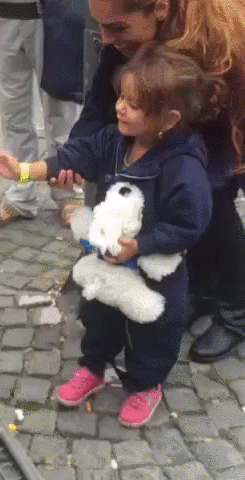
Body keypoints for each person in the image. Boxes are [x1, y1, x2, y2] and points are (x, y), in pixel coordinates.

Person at [0, 42, 217, 427]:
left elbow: (189, 224)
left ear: (168, 118)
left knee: (154, 329)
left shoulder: (183, 169)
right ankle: (94, 367)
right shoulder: (115, 140)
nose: (120, 107)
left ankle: (146, 385)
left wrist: (142, 245)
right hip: (110, 259)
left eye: (134, 103)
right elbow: (73, 156)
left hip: (154, 269)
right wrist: (25, 171)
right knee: (98, 315)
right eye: (122, 97)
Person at [51, 0, 245, 363]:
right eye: (101, 26)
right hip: (172, 134)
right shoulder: (124, 40)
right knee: (175, 207)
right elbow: (98, 107)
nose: (106, 40)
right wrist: (75, 156)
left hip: (222, 132)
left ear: (159, 8)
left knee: (214, 208)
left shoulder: (223, 42)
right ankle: (201, 292)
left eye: (118, 28)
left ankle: (236, 313)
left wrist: (207, 177)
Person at [0, 0, 84, 229]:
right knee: (13, 114)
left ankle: (67, 192)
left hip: (53, 15)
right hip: (2, 16)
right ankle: (21, 195)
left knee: (61, 109)